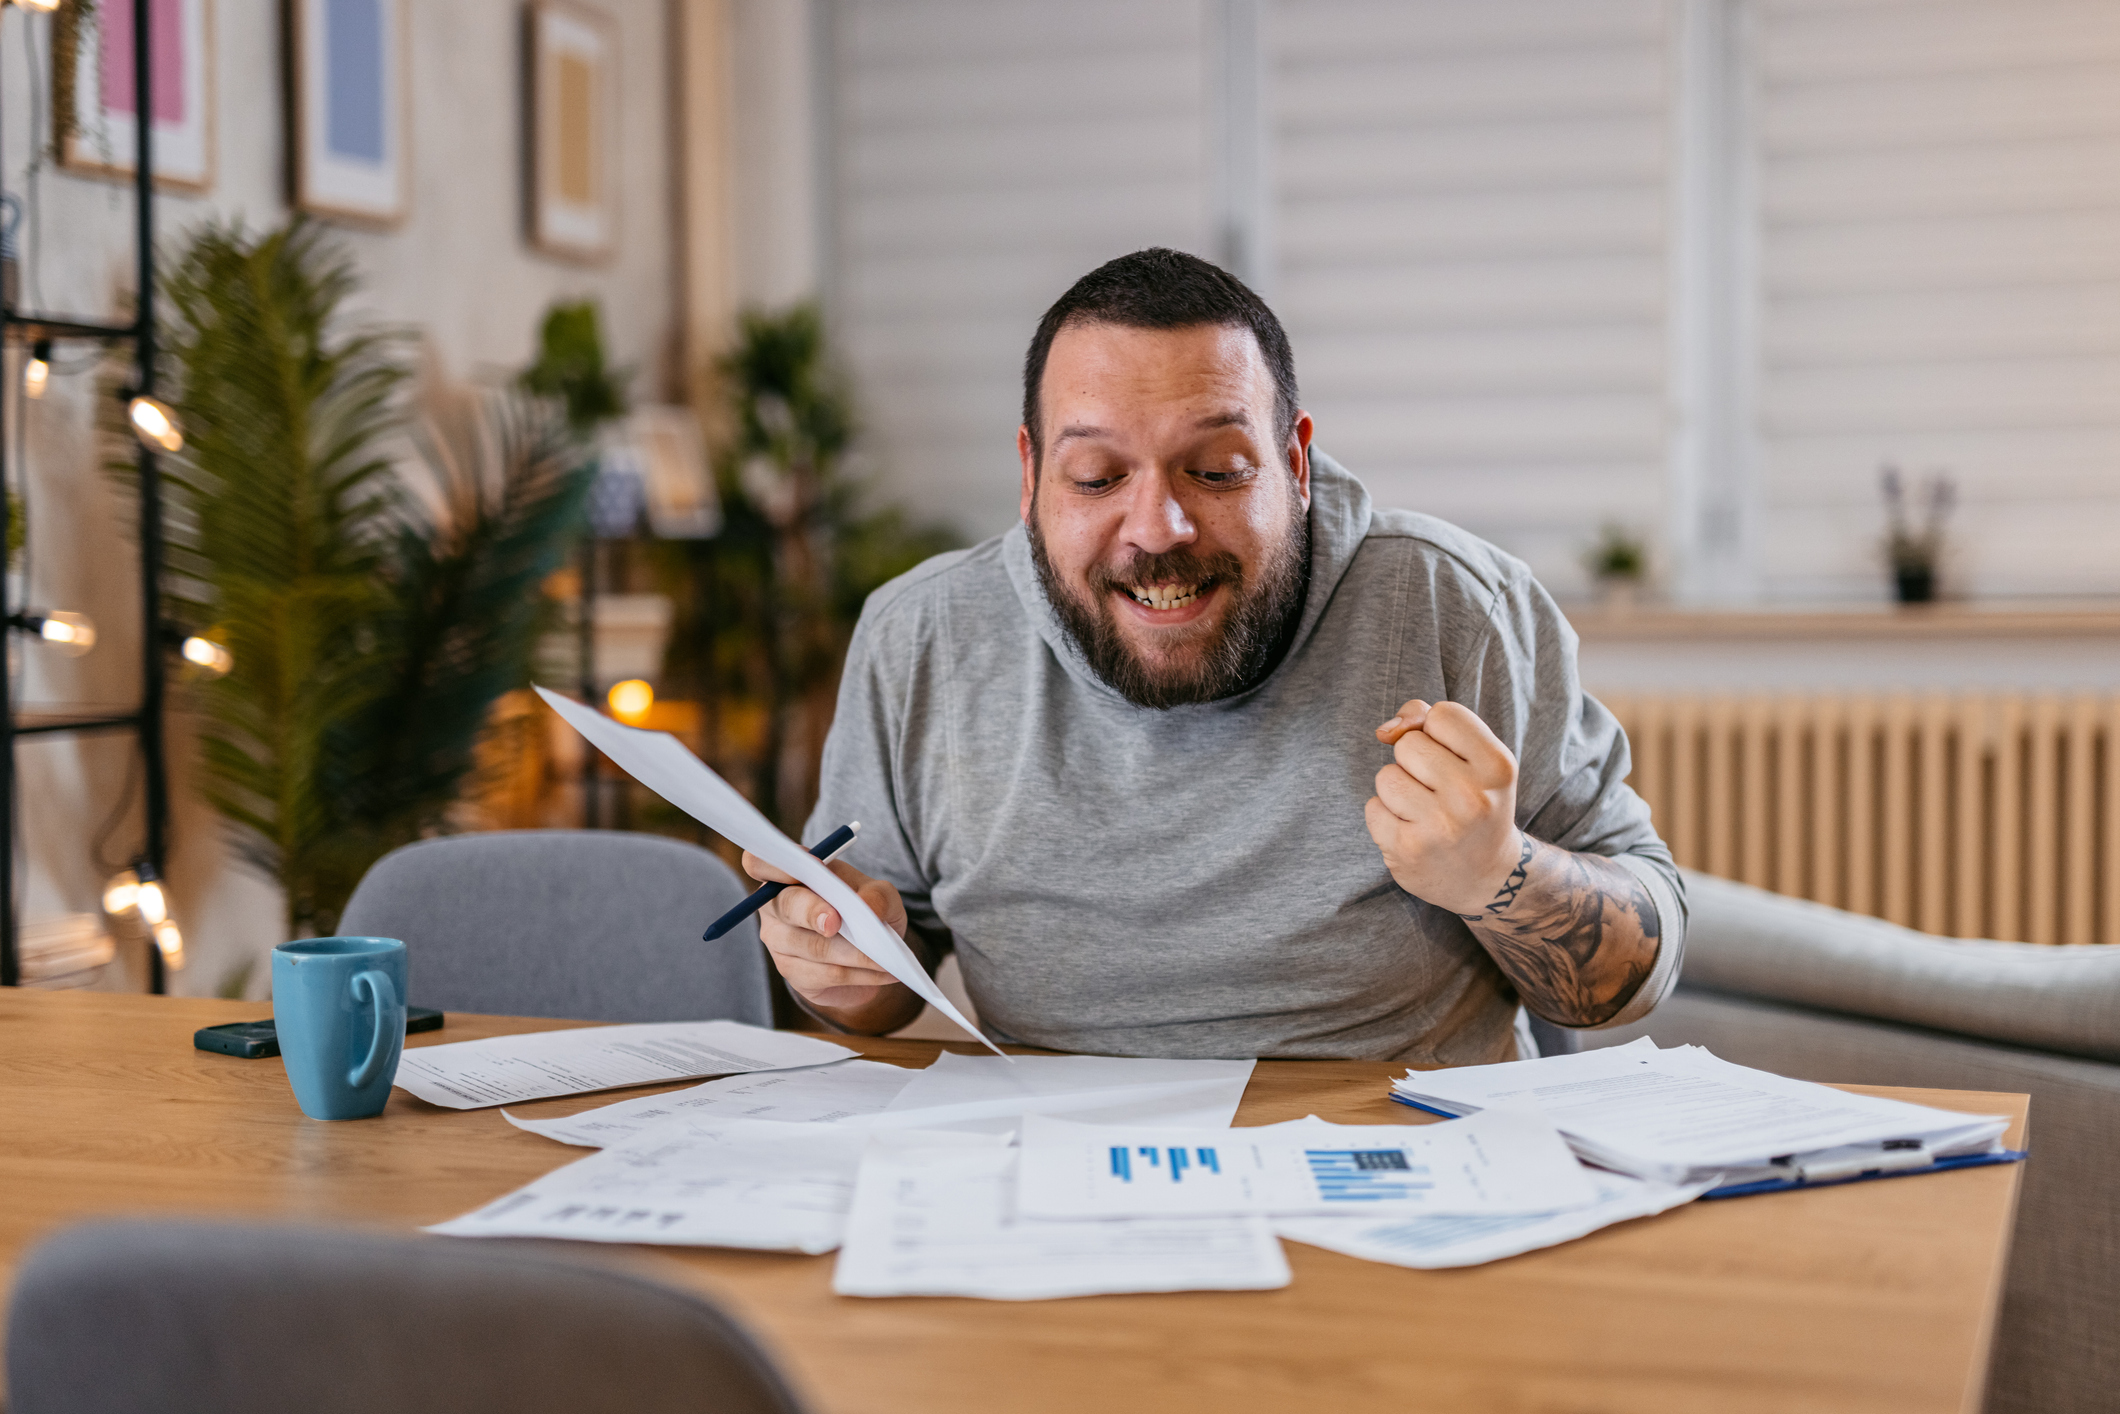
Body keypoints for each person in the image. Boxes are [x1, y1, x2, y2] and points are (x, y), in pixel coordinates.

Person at [740, 248, 1682, 1065]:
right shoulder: (923, 637)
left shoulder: (1454, 605)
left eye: (1218, 471)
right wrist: (847, 967)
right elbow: (881, 978)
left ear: (1296, 462)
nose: (1158, 527)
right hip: (1058, 1174)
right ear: (1030, 476)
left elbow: (1638, 970)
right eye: (1097, 477)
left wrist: (1499, 872)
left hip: (1399, 1177)